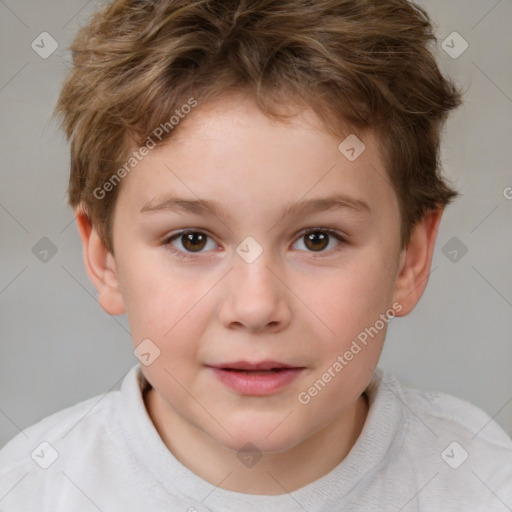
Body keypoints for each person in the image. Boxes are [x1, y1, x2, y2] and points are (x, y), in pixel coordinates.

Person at [1, 0, 511, 510]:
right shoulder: (29, 490)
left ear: (410, 259)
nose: (255, 307)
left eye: (318, 239)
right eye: (192, 240)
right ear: (104, 257)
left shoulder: (485, 484)